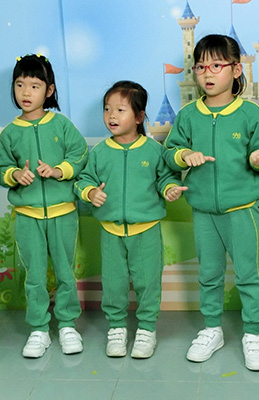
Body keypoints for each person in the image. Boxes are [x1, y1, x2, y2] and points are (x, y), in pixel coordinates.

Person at [164, 34, 259, 371]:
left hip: (241, 210)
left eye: (216, 65)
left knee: (248, 274)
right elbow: (170, 153)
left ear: (236, 69)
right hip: (203, 212)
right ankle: (212, 329)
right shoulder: (188, 115)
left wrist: (258, 158)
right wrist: (184, 155)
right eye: (200, 67)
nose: (207, 73)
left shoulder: (250, 113)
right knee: (209, 273)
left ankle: (253, 334)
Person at [74, 81, 187, 358]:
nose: (111, 115)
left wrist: (169, 189)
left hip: (146, 230)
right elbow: (83, 180)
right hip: (111, 231)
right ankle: (116, 328)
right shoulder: (100, 152)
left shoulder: (153, 150)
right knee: (114, 283)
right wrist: (90, 192)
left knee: (148, 281)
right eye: (107, 109)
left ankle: (147, 329)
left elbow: (166, 177)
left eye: (120, 110)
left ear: (139, 117)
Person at [0, 54, 88, 358]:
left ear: (49, 90)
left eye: (34, 86)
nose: (26, 92)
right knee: (33, 274)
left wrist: (59, 171)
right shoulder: (9, 133)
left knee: (65, 271)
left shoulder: (61, 124)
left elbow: (80, 155)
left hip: (63, 214)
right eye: (20, 84)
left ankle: (68, 324)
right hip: (27, 216)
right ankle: (38, 329)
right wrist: (15, 175)